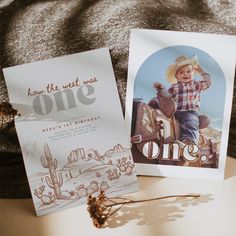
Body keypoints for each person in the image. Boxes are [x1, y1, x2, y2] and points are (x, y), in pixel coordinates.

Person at [154, 55, 212, 146]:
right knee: (162, 113)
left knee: (190, 123)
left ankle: (189, 144)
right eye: (181, 72)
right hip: (175, 113)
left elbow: (208, 82)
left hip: (189, 112)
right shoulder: (174, 87)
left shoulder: (196, 84)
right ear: (176, 76)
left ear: (193, 73)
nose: (185, 74)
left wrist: (200, 70)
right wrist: (161, 89)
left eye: (188, 71)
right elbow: (167, 97)